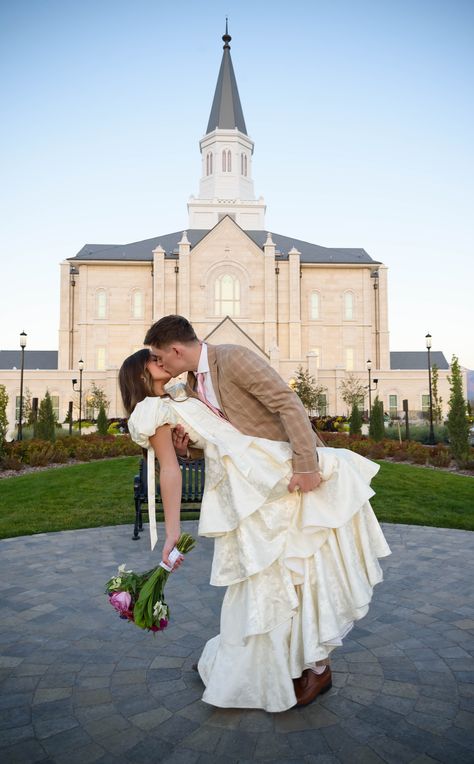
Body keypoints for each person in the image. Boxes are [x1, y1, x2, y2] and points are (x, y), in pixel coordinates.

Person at [119, 348, 391, 713]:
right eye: (154, 361)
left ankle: (308, 661)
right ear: (140, 375)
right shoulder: (150, 411)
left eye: (161, 356)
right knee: (269, 574)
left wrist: (190, 449)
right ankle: (292, 664)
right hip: (244, 485)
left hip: (259, 466)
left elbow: (219, 432)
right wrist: (172, 531)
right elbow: (169, 471)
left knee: (300, 557)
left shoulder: (182, 393)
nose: (162, 362)